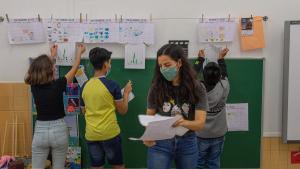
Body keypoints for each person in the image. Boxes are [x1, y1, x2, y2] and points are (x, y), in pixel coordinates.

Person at [144, 44, 208, 169]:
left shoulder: (197, 88)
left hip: (187, 142)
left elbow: (200, 123)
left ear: (179, 62)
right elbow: (150, 116)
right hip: (160, 142)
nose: (163, 69)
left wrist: (181, 122)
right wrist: (148, 134)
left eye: (167, 65)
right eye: (160, 66)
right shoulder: (156, 87)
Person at [25, 44, 86, 169]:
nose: (54, 68)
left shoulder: (34, 86)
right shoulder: (58, 84)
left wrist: (52, 56)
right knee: (59, 167)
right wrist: (79, 52)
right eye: (52, 67)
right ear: (50, 70)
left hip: (40, 131)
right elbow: (75, 68)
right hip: (59, 130)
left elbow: (43, 69)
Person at [80, 47, 132, 169]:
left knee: (97, 166)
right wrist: (125, 93)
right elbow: (123, 110)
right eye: (109, 63)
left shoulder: (84, 86)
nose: (110, 66)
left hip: (92, 134)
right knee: (117, 166)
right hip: (110, 134)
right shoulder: (112, 85)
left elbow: (83, 111)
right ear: (105, 64)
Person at [193, 48, 230, 169]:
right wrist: (221, 59)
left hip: (200, 134)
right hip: (218, 134)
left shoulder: (197, 89)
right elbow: (225, 74)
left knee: (198, 163)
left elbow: (190, 77)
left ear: (203, 75)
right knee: (214, 162)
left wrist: (200, 59)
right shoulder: (225, 86)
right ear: (219, 76)